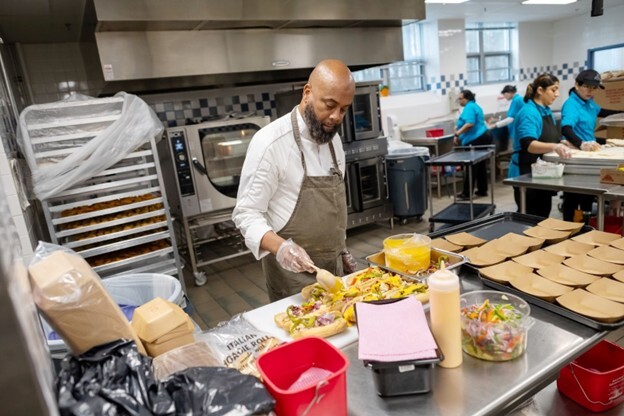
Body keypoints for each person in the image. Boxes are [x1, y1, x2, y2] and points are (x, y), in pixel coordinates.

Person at [232, 59, 358, 302]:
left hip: (334, 271)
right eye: (329, 105)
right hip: (292, 278)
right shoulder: (270, 143)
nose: (335, 117)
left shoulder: (334, 142)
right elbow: (246, 213)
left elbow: (331, 211)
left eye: (343, 109)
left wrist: (340, 249)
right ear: (307, 93)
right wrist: (282, 248)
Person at [560, 69, 623, 221]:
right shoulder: (571, 104)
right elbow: (566, 128)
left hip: (588, 154)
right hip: (575, 156)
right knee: (573, 198)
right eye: (587, 87)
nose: (591, 91)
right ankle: (569, 228)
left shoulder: (589, 103)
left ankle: (586, 225)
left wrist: (622, 112)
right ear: (577, 85)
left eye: (594, 88)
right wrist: (581, 144)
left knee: (588, 196)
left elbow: (603, 111)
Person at [511, 73, 572, 217]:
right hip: (525, 172)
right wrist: (554, 147)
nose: (557, 94)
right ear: (540, 90)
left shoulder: (545, 110)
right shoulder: (529, 112)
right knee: (529, 217)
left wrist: (562, 142)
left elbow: (547, 136)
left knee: (543, 214)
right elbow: (529, 144)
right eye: (553, 89)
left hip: (542, 172)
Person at [454, 90, 493, 200]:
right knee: (480, 164)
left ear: (467, 99)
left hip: (476, 138)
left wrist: (457, 133)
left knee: (471, 166)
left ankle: (467, 193)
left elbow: (470, 124)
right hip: (483, 135)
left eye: (460, 98)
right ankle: (482, 189)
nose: (459, 101)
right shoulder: (475, 106)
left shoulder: (469, 107)